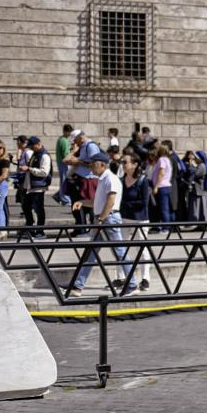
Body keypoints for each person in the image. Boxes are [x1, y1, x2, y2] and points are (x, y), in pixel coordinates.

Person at [64, 152, 125, 296]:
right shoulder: (102, 179)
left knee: (120, 252)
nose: (90, 166)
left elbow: (111, 201)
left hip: (108, 219)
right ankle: (78, 286)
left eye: (93, 164)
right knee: (91, 252)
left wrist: (101, 219)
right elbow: (96, 202)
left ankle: (132, 283)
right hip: (103, 219)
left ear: (102, 165)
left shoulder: (110, 178)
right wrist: (81, 202)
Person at [115, 152, 152, 295]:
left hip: (139, 219)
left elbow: (144, 202)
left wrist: (125, 204)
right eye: (122, 162)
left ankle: (145, 278)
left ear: (135, 164)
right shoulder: (121, 180)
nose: (123, 165)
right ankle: (121, 277)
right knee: (120, 248)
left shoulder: (142, 180)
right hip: (124, 218)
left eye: (125, 162)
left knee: (141, 249)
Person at [21, 136, 53, 233]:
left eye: (32, 146)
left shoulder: (44, 156)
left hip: (38, 186)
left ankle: (40, 231)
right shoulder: (35, 154)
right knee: (26, 207)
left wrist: (29, 169)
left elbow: (44, 172)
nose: (31, 148)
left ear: (38, 144)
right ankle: (29, 228)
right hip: (30, 185)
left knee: (38, 209)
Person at [148, 142, 175, 225]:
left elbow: (161, 173)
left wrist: (156, 186)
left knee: (163, 208)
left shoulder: (162, 159)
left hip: (162, 186)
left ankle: (165, 227)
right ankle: (168, 225)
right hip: (166, 186)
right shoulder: (167, 159)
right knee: (166, 207)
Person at [54, 124, 74, 205]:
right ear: (66, 131)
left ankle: (59, 195)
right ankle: (65, 199)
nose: (70, 134)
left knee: (64, 180)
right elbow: (66, 154)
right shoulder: (64, 140)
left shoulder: (61, 139)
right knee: (64, 181)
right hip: (64, 163)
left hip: (61, 162)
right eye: (69, 132)